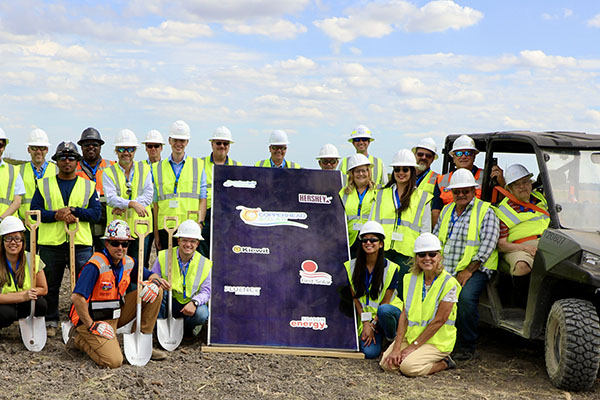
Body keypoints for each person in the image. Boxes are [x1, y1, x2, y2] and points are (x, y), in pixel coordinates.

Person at [69, 220, 169, 368]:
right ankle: (78, 339)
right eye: (115, 243)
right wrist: (91, 325)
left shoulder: (128, 262)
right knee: (114, 362)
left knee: (155, 291)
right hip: (92, 319)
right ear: (107, 244)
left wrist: (155, 282)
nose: (120, 248)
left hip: (115, 314)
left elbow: (150, 275)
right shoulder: (95, 266)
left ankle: (142, 341)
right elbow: (77, 298)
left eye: (125, 244)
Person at [30, 141, 101, 337]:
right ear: (57, 161)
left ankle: (79, 320)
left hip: (80, 243)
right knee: (51, 285)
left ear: (78, 161)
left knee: (82, 284)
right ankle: (51, 321)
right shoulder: (44, 184)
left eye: (71, 158)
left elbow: (96, 213)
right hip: (51, 244)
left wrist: (74, 211)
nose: (67, 161)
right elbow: (36, 212)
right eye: (63, 158)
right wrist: (57, 215)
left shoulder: (89, 185)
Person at [433, 168, 499, 360]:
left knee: (465, 300)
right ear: (451, 192)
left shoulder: (486, 211)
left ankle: (466, 345)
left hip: (476, 268)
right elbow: (437, 239)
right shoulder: (446, 211)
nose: (461, 195)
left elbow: (488, 244)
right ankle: (440, 341)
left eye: (466, 191)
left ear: (473, 191)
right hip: (447, 268)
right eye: (457, 191)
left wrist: (468, 271)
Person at [380, 233, 460, 376]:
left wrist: (412, 348)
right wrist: (397, 347)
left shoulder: (449, 283)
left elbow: (439, 321)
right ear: (416, 258)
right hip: (411, 336)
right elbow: (404, 315)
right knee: (387, 364)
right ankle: (412, 356)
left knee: (408, 368)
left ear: (439, 256)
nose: (427, 258)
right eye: (422, 254)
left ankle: (445, 362)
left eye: (432, 254)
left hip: (437, 341)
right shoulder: (409, 278)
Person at [371, 149, 432, 287]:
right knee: (381, 289)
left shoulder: (423, 198)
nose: (401, 173)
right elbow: (372, 224)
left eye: (405, 169)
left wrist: (421, 256)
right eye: (397, 169)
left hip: (408, 256)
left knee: (403, 293)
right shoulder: (380, 195)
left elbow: (425, 231)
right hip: (383, 251)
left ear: (412, 172)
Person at [344, 221, 403, 359]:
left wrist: (373, 324)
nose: (368, 243)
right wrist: (365, 324)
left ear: (381, 244)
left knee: (384, 311)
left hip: (387, 314)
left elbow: (386, 301)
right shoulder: (350, 266)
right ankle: (379, 339)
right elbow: (355, 299)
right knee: (369, 353)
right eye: (364, 240)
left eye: (373, 240)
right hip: (367, 317)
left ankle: (391, 340)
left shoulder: (392, 268)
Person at [153, 120, 207, 252]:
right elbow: (155, 204)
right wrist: (156, 233)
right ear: (170, 140)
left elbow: (202, 198)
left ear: (187, 142)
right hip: (165, 227)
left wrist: (200, 223)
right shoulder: (156, 168)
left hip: (190, 227)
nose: (179, 144)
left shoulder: (198, 165)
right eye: (176, 140)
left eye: (182, 140)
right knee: (167, 267)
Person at [152, 220, 211, 338]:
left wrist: (195, 302)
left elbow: (206, 292)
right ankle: (159, 331)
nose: (188, 244)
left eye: (192, 241)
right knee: (155, 293)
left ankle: (186, 332)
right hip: (169, 301)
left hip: (189, 304)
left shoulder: (204, 263)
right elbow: (153, 279)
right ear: (178, 240)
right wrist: (158, 283)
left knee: (202, 313)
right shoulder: (164, 256)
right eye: (185, 240)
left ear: (197, 243)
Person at [103, 129, 153, 259]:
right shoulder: (108, 173)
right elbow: (110, 198)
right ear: (115, 151)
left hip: (140, 228)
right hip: (117, 230)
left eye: (130, 149)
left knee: (139, 268)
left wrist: (126, 205)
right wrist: (132, 204)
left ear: (135, 151)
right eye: (121, 149)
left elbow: (148, 195)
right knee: (116, 267)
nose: (126, 153)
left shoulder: (145, 169)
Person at [493, 164, 550, 276]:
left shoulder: (540, 198)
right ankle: (521, 294)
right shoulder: (503, 210)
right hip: (518, 247)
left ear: (530, 183)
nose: (522, 187)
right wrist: (526, 248)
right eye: (517, 185)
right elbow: (501, 245)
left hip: (547, 241)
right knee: (522, 267)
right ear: (510, 189)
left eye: (525, 182)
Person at [199, 126, 241, 257]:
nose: (222, 146)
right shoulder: (199, 164)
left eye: (225, 143)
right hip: (205, 216)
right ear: (212, 144)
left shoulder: (237, 167)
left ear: (229, 146)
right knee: (202, 253)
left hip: (227, 217)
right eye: (218, 143)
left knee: (224, 253)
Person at [0, 217, 48, 330]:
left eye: (17, 238)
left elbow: (43, 289)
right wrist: (23, 296)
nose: (13, 243)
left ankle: (26, 326)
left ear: (23, 241)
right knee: (4, 314)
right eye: (8, 238)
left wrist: (28, 295)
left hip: (24, 303)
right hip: (5, 304)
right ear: (2, 241)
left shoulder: (32, 259)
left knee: (40, 304)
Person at [75, 127, 115, 250]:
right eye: (87, 144)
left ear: (100, 146)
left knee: (104, 258)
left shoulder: (112, 166)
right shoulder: (73, 168)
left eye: (95, 144)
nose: (91, 147)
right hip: (83, 219)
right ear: (81, 147)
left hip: (106, 218)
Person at [18, 129, 57, 249]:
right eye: (34, 148)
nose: (38, 151)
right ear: (28, 149)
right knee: (27, 263)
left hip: (50, 226)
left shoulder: (56, 170)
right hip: (26, 227)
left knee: (46, 265)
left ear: (47, 150)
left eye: (42, 148)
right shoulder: (19, 171)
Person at [340, 154, 377, 258]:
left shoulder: (377, 192)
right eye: (357, 171)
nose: (361, 174)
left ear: (368, 172)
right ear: (352, 174)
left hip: (370, 241)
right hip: (349, 242)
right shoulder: (343, 193)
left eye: (364, 171)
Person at [140, 129, 165, 267]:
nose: (153, 149)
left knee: (162, 253)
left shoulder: (167, 167)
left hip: (162, 214)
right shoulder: (139, 167)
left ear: (161, 148)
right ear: (146, 148)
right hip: (144, 215)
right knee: (142, 254)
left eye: (156, 146)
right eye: (150, 146)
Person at [436, 135, 483, 205]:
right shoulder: (441, 180)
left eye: (468, 153)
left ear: (474, 156)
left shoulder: (487, 177)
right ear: (453, 158)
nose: (463, 156)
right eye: (459, 153)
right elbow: (436, 209)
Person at [412, 137, 443, 228]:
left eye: (428, 156)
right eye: (420, 154)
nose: (423, 158)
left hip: (424, 227)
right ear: (415, 155)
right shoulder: (404, 175)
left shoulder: (438, 179)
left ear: (433, 158)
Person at [0, 127, 25, 222]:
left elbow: (17, 201)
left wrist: (1, 219)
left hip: (8, 226)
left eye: (0, 145)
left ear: (4, 147)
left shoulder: (13, 171)